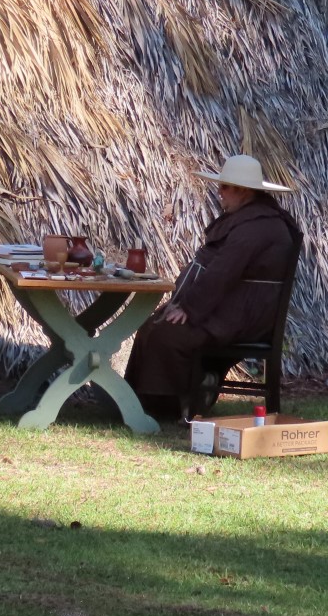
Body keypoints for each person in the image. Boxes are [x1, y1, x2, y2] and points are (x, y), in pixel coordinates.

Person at [124, 154, 303, 423]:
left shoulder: (258, 227)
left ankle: (169, 407)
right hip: (230, 309)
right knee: (153, 326)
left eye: (225, 187)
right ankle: (137, 401)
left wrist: (190, 308)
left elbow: (223, 272)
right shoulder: (251, 220)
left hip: (242, 316)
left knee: (167, 335)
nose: (219, 193)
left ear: (243, 191)